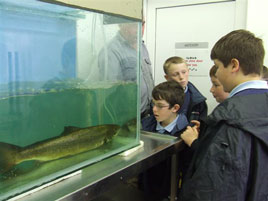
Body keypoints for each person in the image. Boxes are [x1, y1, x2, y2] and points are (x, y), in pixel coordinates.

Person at [179, 29, 268, 201]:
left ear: (234, 65)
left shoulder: (229, 118)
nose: (217, 73)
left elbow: (215, 188)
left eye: (218, 66)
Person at [141, 80, 196, 200]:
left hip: (170, 192)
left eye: (160, 106)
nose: (154, 109)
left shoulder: (185, 133)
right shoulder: (145, 125)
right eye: (153, 104)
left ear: (175, 108)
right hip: (146, 189)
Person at [98, 20, 154, 118]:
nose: (139, 29)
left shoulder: (141, 45)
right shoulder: (111, 51)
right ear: (121, 24)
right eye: (134, 25)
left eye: (142, 24)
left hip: (149, 114)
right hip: (129, 118)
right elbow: (112, 91)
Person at [163, 56, 208, 122]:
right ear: (167, 77)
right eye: (175, 74)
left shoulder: (198, 100)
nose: (181, 77)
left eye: (184, 72)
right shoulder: (159, 97)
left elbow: (202, 125)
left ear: (188, 71)